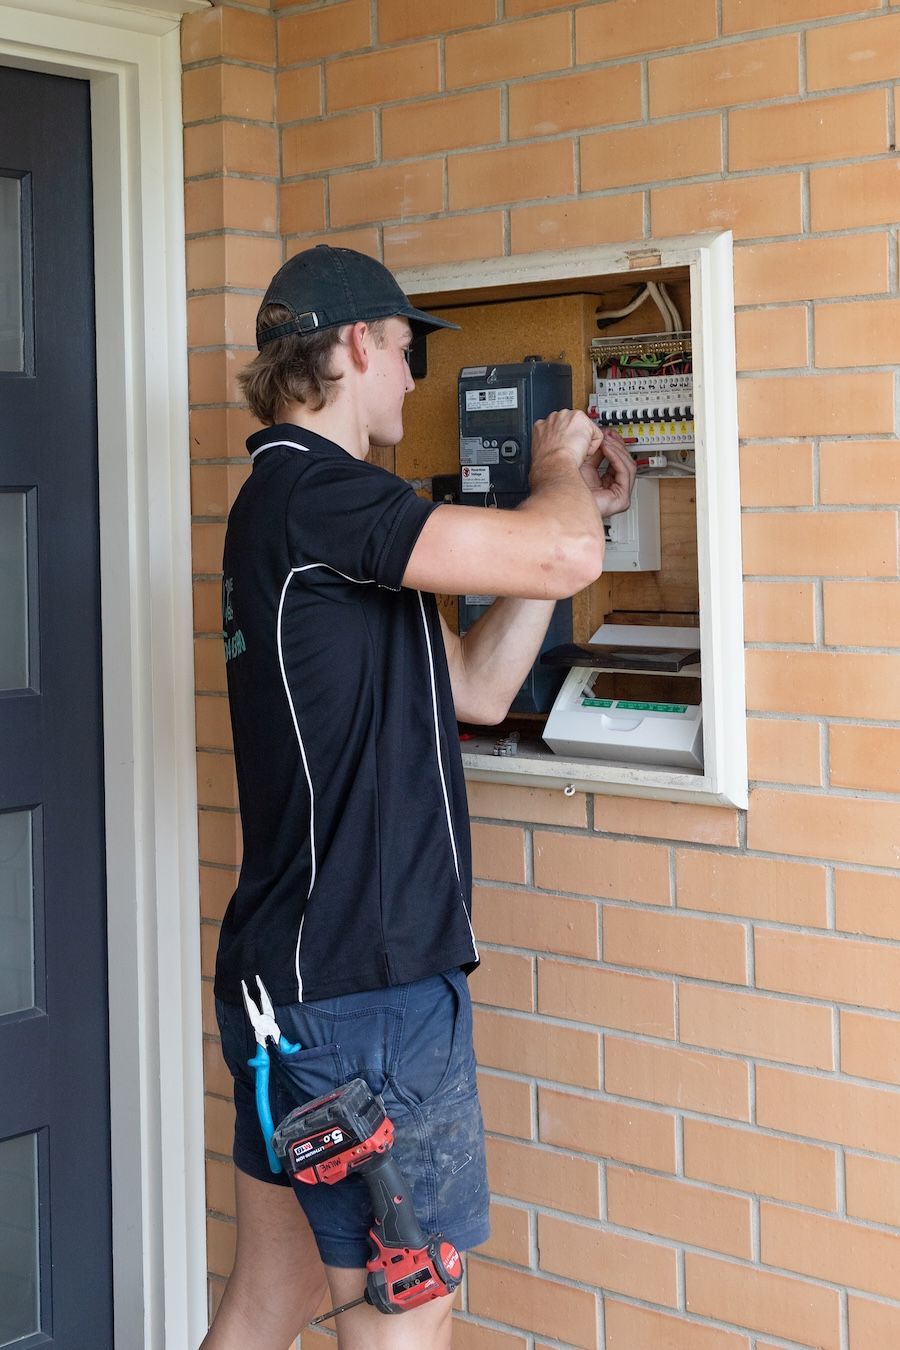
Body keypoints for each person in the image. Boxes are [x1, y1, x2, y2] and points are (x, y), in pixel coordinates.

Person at [204, 245, 635, 1350]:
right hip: (370, 997)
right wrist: (558, 464)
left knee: (268, 1300)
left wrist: (564, 512)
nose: (413, 382)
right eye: (405, 354)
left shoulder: (303, 517)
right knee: (407, 1311)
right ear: (355, 346)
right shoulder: (323, 494)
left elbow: (481, 690)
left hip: (291, 988)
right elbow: (561, 558)